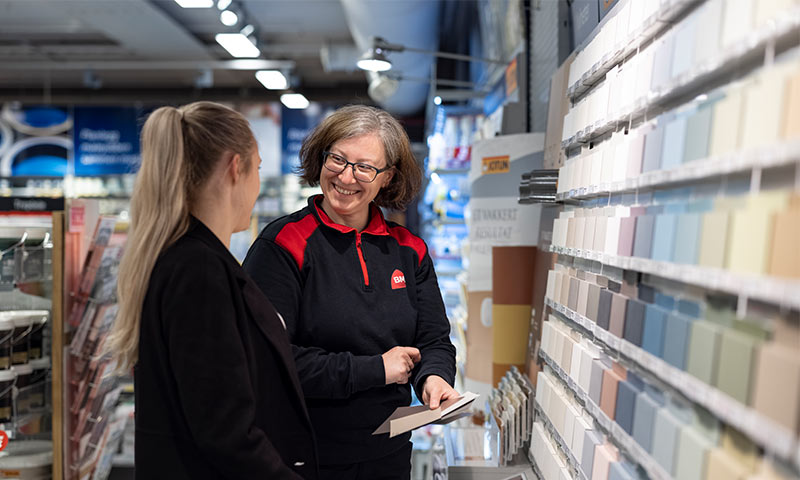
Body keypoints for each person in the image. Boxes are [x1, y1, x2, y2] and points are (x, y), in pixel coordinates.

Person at [243, 104, 458, 479]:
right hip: (303, 457)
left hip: (389, 455)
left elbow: (435, 339)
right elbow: (269, 362)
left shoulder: (409, 249)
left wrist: (434, 377)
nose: (346, 176)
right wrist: (375, 370)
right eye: (337, 159)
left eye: (364, 167)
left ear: (387, 177)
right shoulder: (282, 244)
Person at [107, 101, 318, 479]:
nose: (256, 186)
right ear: (235, 168)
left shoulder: (187, 257)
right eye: (257, 169)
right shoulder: (198, 270)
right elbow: (225, 431)